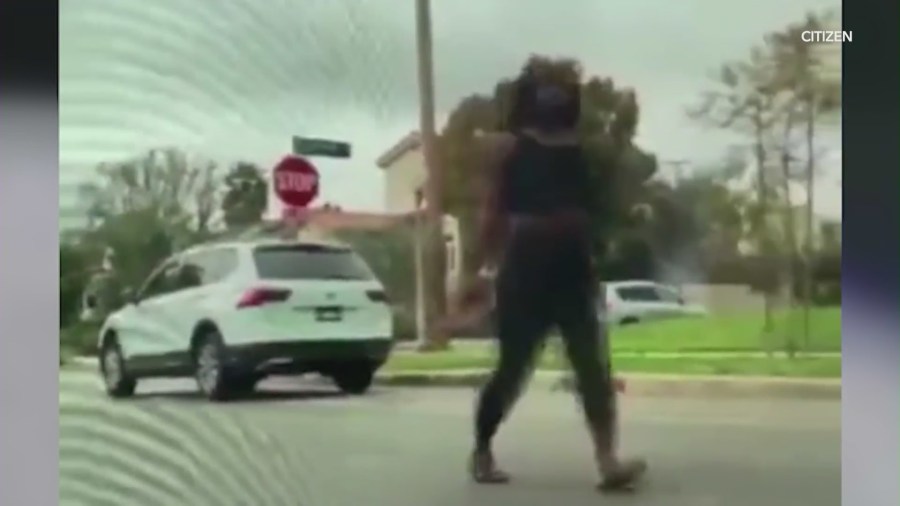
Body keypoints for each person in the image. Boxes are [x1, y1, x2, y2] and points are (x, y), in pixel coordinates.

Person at [444, 56, 647, 492]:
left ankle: (608, 461)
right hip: (525, 272)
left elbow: (589, 212)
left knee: (592, 367)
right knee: (512, 370)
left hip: (572, 271)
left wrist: (593, 253)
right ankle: (482, 447)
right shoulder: (511, 149)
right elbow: (492, 213)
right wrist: (474, 272)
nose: (556, 100)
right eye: (548, 91)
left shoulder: (578, 152)